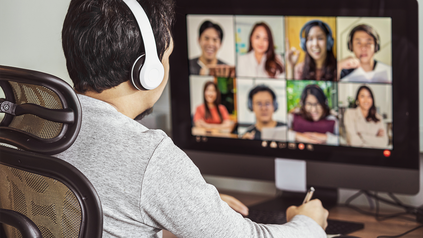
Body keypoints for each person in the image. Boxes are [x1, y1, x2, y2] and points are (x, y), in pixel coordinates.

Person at [56, 0, 328, 237]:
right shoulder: (149, 157)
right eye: (168, 54)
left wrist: (187, 208)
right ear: (147, 69)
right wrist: (309, 223)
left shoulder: (39, 124)